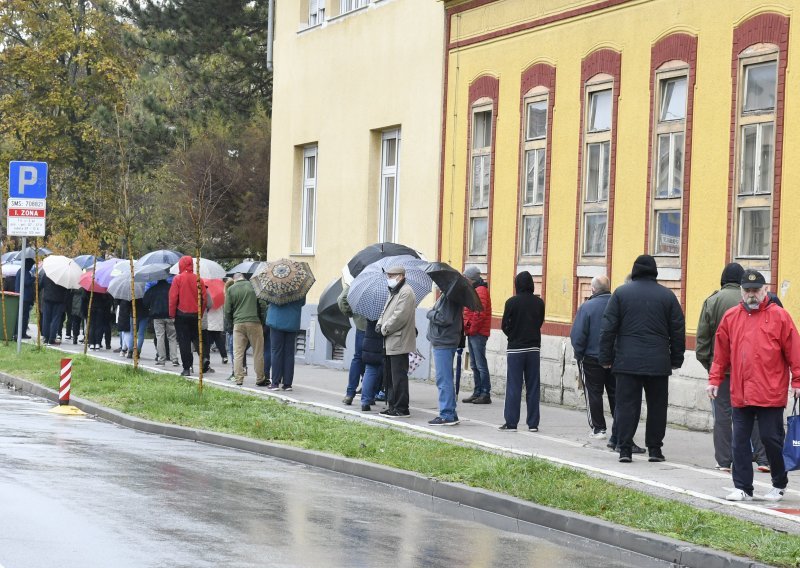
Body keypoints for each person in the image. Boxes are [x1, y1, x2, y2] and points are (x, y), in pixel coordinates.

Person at [708, 269, 800, 502]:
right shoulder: (731, 317)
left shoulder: (780, 316)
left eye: (756, 290)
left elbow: (794, 352)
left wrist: (797, 380)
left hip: (770, 392)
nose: (752, 295)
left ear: (765, 290)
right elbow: (721, 354)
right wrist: (714, 379)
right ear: (741, 291)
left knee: (771, 439)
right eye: (747, 290)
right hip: (740, 391)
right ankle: (743, 487)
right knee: (739, 441)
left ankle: (779, 483)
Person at [599, 255, 685, 463]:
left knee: (627, 405)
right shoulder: (667, 296)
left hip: (627, 361)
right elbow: (678, 331)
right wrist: (676, 359)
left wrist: (605, 357)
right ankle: (655, 450)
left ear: (635, 270)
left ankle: (625, 449)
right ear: (654, 271)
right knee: (657, 406)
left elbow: (608, 328)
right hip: (658, 361)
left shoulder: (621, 293)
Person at [697, 263, 769, 472]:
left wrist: (710, 367)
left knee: (722, 416)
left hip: (722, 372)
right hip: (749, 369)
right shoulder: (753, 299)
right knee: (755, 412)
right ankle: (763, 458)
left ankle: (724, 461)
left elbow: (702, 340)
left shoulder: (712, 301)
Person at [571, 275, 617, 441]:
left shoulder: (587, 307)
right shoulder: (618, 304)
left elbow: (578, 334)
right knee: (615, 393)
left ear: (592, 289)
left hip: (591, 357)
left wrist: (579, 353)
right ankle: (619, 428)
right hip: (615, 357)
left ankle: (599, 429)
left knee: (593, 393)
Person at [499, 271, 545, 432]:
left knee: (514, 386)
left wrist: (513, 335)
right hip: (533, 348)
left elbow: (504, 325)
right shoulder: (539, 302)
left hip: (516, 349)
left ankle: (511, 422)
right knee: (533, 386)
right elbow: (539, 322)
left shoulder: (511, 302)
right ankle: (533, 424)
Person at [377, 265, 417, 418]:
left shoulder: (406, 292)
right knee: (390, 377)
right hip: (390, 340)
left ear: (400, 276)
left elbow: (399, 316)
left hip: (399, 340)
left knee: (398, 376)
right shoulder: (395, 291)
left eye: (391, 275)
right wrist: (380, 323)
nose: (389, 278)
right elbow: (385, 310)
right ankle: (392, 405)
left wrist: (384, 328)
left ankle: (401, 407)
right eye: (388, 275)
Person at [426, 288, 463, 426]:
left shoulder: (449, 297)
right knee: (446, 378)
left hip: (444, 341)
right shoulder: (448, 296)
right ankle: (451, 413)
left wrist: (430, 313)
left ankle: (446, 414)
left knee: (443, 379)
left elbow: (444, 318)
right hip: (445, 340)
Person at [224, 273, 266, 387]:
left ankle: (238, 378)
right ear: (244, 277)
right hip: (254, 322)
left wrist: (232, 322)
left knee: (238, 353)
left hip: (238, 324)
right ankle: (260, 378)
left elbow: (227, 310)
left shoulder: (231, 289)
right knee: (258, 352)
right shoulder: (254, 286)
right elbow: (263, 305)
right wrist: (262, 321)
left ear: (234, 279)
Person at [169, 255, 208, 376]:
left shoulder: (178, 279)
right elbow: (204, 299)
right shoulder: (199, 279)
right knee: (198, 338)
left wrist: (172, 314)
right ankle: (204, 358)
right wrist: (200, 314)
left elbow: (173, 298)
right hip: (195, 314)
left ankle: (187, 368)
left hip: (181, 314)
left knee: (184, 342)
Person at [462, 266, 492, 405]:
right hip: (473, 332)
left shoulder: (481, 291)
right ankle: (478, 391)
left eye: (466, 278)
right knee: (474, 364)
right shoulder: (475, 290)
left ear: (471, 278)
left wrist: (471, 329)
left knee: (480, 364)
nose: (465, 280)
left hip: (478, 333)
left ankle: (485, 392)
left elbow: (479, 314)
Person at [268, 296, 304, 391]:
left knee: (276, 351)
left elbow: (268, 299)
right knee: (289, 353)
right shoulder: (298, 286)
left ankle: (275, 382)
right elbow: (302, 302)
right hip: (292, 321)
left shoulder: (275, 285)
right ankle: (287, 384)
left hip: (276, 321)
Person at [338, 281, 366, 405]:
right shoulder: (383, 282)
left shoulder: (359, 280)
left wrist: (350, 313)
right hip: (380, 327)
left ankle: (350, 393)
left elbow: (342, 298)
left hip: (361, 325)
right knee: (377, 361)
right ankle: (370, 393)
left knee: (358, 358)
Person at [144, 278, 179, 367]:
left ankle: (161, 359)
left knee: (160, 337)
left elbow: (145, 302)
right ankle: (174, 359)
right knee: (172, 337)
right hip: (170, 315)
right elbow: (177, 299)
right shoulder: (171, 288)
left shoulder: (153, 289)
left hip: (157, 316)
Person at [359, 317, 383, 412]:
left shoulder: (371, 307)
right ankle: (392, 402)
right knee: (388, 371)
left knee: (370, 370)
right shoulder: (387, 305)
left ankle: (365, 402)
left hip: (370, 341)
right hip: (383, 342)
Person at [40, 271, 68, 345]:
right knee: (55, 319)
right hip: (59, 300)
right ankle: (52, 338)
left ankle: (46, 338)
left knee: (46, 319)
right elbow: (66, 288)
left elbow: (41, 285)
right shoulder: (64, 276)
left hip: (47, 299)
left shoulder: (48, 273)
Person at [14, 258, 34, 339]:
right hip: (25, 298)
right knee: (24, 317)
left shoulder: (21, 271)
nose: (31, 267)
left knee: (20, 316)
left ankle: (18, 332)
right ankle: (22, 333)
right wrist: (34, 278)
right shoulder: (24, 272)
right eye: (31, 265)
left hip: (21, 296)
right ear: (28, 264)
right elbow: (26, 282)